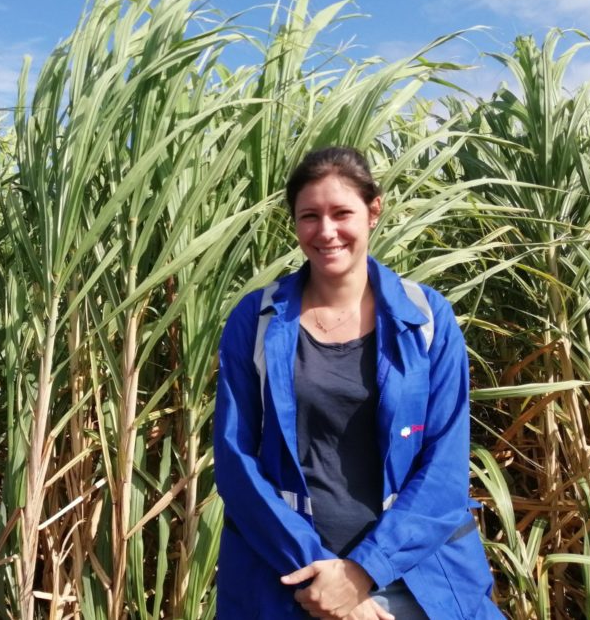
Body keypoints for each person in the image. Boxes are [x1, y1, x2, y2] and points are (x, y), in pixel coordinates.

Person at [214, 148, 503, 619]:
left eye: (341, 212)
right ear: (294, 223)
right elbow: (235, 459)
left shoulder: (427, 319)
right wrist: (323, 576)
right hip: (291, 579)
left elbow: (445, 467)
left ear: (373, 212)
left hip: (413, 576)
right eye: (309, 216)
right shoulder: (258, 319)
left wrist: (362, 573)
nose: (326, 231)